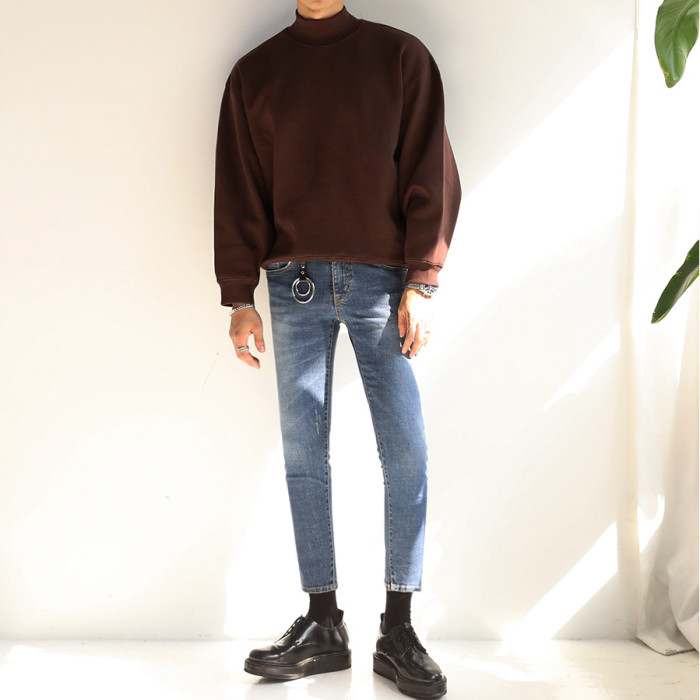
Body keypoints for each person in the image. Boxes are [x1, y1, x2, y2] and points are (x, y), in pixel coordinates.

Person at [213, 1, 461, 697]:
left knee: (405, 451)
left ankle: (398, 629)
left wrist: (423, 281)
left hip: (384, 283)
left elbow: (432, 170)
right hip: (290, 284)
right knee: (303, 457)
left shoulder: (401, 58)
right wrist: (238, 296)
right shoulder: (256, 73)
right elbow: (238, 187)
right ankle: (323, 623)